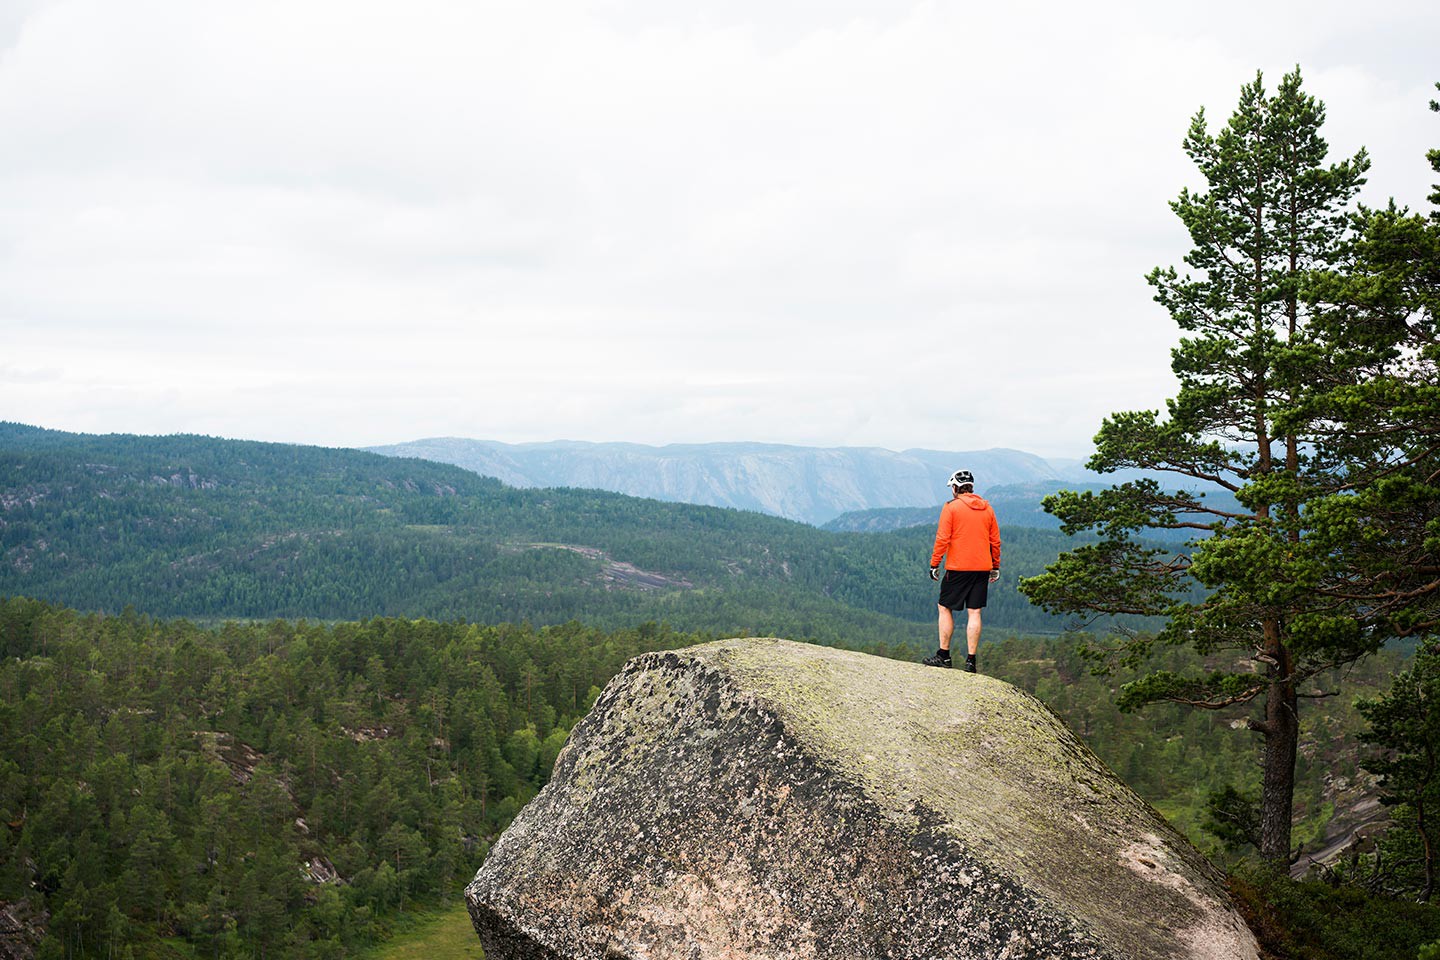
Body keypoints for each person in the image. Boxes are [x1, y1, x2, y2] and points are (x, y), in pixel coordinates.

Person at [924, 469, 1001, 672]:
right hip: (982, 567)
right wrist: (995, 566)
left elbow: (942, 539)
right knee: (974, 612)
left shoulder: (951, 508)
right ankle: (971, 661)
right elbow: (995, 541)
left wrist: (934, 564)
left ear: (956, 488)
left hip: (958, 568)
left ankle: (944, 656)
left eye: (952, 487)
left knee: (944, 607)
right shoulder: (988, 509)